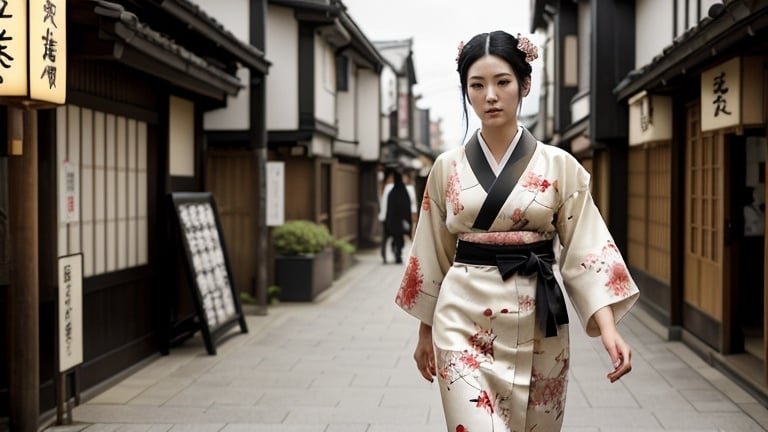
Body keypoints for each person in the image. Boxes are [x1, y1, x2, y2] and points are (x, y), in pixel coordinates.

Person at [394, 30, 639, 431]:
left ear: (524, 84)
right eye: (477, 85)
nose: (490, 95)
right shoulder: (446, 168)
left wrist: (609, 329)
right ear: (467, 91)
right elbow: (432, 253)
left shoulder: (560, 166)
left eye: (502, 82)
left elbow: (587, 248)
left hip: (538, 319)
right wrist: (425, 332)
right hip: (461, 321)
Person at [379, 169, 415, 263]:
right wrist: (408, 220)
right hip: (401, 221)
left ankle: (388, 256)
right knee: (399, 239)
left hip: (391, 221)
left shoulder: (391, 192)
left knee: (391, 238)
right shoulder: (404, 192)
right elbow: (408, 207)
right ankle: (397, 256)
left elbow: (387, 207)